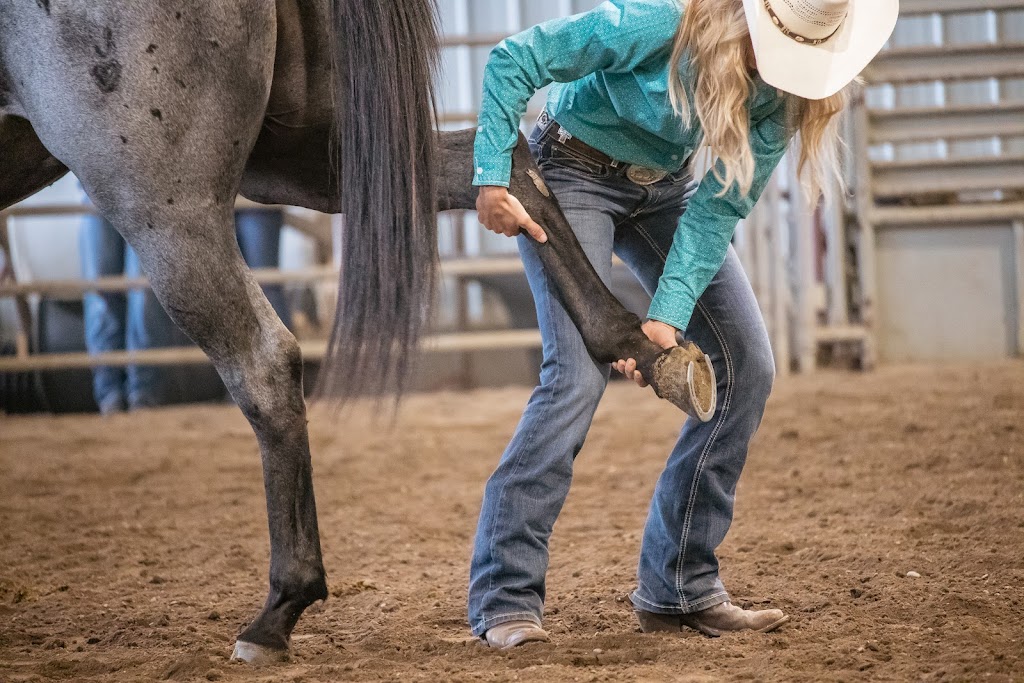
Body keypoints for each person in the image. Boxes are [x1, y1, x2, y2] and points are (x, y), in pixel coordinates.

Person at [469, 0, 897, 648]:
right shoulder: (660, 22)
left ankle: (679, 585)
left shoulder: (785, 99)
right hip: (570, 170)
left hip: (663, 192)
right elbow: (515, 57)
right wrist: (492, 171)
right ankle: (505, 595)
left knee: (748, 364)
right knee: (575, 378)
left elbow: (716, 209)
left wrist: (666, 318)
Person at [80, 205, 289, 413]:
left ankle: (141, 394)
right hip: (209, 198)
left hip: (152, 194)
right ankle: (115, 395)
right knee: (108, 293)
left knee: (143, 293)